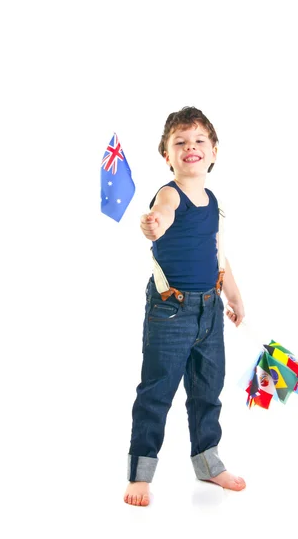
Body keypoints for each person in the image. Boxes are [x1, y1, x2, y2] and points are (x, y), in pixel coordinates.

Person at [124, 106, 246, 507]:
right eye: (180, 142)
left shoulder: (213, 201)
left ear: (213, 153)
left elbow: (218, 255)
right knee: (157, 391)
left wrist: (234, 294)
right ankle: (141, 474)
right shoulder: (169, 193)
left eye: (199, 141)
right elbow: (161, 214)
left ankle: (208, 463)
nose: (190, 147)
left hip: (211, 311)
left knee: (208, 392)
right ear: (167, 155)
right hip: (170, 312)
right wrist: (153, 224)